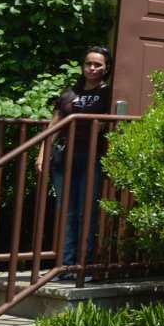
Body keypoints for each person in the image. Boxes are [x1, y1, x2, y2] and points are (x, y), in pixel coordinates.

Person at [45, 46, 113, 280]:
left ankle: (85, 265)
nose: (92, 68)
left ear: (106, 68)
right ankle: (65, 266)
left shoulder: (108, 93)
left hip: (91, 156)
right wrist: (43, 153)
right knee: (67, 213)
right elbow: (54, 124)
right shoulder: (69, 93)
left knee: (87, 212)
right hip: (64, 156)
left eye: (97, 64)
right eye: (88, 63)